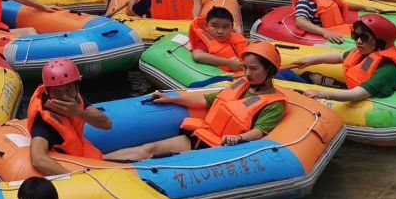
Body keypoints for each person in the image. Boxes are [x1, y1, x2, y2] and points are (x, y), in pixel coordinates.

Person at [105, 43, 286, 160]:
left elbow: (258, 132)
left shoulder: (274, 103)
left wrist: (238, 138)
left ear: (269, 70)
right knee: (149, 148)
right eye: (245, 67)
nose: (247, 73)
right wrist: (172, 99)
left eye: (253, 69)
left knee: (159, 162)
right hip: (201, 136)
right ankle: (97, 164)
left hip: (220, 151)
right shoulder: (241, 85)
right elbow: (206, 101)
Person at [25, 59, 113, 175]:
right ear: (47, 92)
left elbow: (107, 124)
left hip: (84, 154)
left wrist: (79, 113)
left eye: (68, 89)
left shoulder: (75, 99)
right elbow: (38, 159)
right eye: (57, 91)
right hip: (72, 164)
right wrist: (75, 178)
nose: (64, 97)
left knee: (145, 150)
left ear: (77, 88)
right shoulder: (44, 120)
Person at [294, 14, 396, 102]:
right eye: (355, 36)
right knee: (306, 75)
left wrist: (322, 94)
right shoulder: (366, 51)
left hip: (363, 95)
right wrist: (312, 60)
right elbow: (340, 57)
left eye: (364, 37)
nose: (358, 41)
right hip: (352, 87)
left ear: (380, 42)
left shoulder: (388, 69)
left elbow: (360, 93)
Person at [188, 7, 248, 73]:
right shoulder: (204, 43)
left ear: (232, 27)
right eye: (214, 26)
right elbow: (197, 56)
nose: (220, 31)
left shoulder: (235, 38)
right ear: (206, 26)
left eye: (226, 27)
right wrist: (228, 63)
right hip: (223, 79)